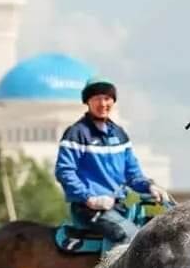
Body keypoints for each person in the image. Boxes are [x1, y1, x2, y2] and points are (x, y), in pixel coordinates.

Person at [54, 77, 165, 246]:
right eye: (97, 98)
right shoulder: (76, 133)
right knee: (131, 238)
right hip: (89, 210)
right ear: (88, 102)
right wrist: (89, 198)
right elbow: (64, 171)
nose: (103, 103)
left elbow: (132, 174)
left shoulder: (119, 134)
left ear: (113, 101)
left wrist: (150, 186)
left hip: (118, 207)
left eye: (107, 98)